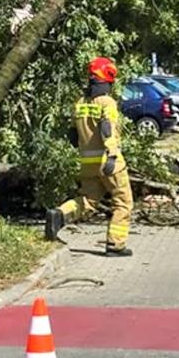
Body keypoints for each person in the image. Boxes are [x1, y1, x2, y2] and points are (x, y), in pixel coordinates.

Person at [45, 56, 134, 257]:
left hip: (87, 163)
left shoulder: (80, 103)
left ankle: (58, 214)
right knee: (123, 202)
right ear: (108, 78)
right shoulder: (107, 102)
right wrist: (112, 154)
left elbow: (72, 135)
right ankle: (115, 245)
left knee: (88, 200)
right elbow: (107, 129)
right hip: (108, 160)